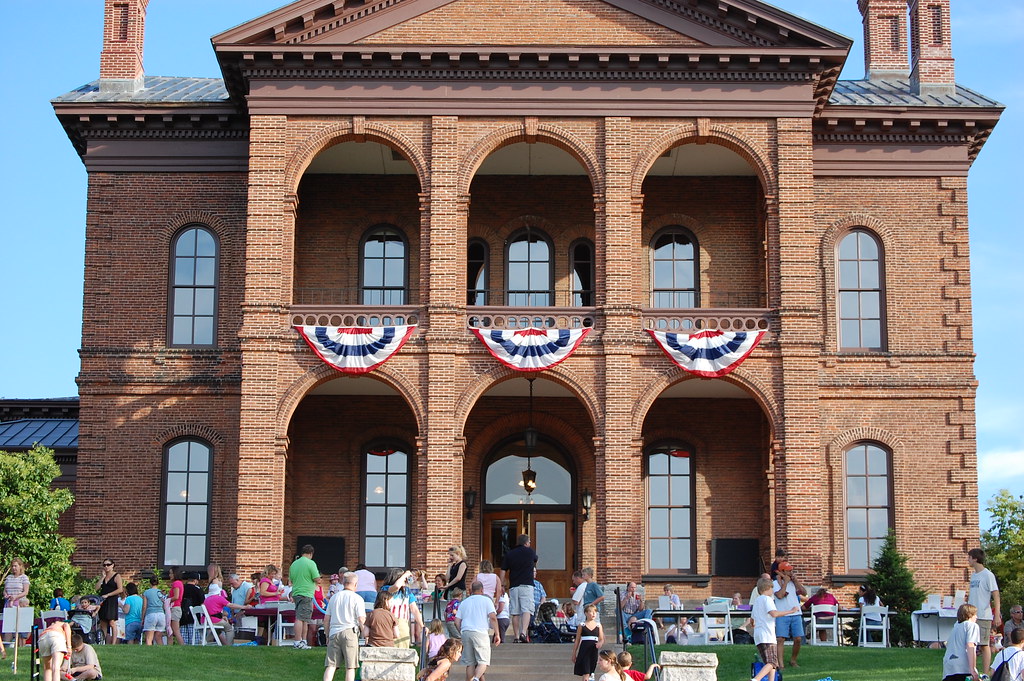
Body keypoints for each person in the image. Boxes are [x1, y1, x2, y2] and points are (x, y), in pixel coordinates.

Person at [751, 576, 799, 681]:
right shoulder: (767, 599)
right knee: (772, 662)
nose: (773, 591)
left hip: (759, 635)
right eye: (772, 588)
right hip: (767, 635)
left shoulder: (757, 601)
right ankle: (756, 679)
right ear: (767, 588)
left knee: (772, 663)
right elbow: (774, 613)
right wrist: (791, 611)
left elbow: (752, 620)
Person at [324, 571, 366, 681]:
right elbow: (361, 619)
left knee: (331, 665)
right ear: (355, 584)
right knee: (350, 667)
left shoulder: (334, 598)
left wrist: (327, 635)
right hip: (350, 632)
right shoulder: (357, 598)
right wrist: (365, 634)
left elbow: (326, 619)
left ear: (343, 582)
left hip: (334, 632)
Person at [455, 581, 500, 681]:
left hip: (466, 631)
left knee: (470, 663)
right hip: (480, 632)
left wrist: (461, 631)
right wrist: (497, 634)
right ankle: (476, 679)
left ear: (471, 590)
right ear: (482, 590)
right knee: (483, 661)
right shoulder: (486, 600)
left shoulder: (464, 602)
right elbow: (493, 617)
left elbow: (456, 621)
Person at [499, 533, 538, 643]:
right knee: (527, 610)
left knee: (515, 612)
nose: (530, 544)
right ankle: (523, 633)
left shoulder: (510, 554)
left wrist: (502, 585)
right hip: (527, 585)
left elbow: (503, 570)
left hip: (514, 586)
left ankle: (516, 637)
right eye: (529, 542)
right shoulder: (530, 552)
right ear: (526, 542)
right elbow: (536, 560)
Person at [969, 548, 1002, 674]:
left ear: (975, 558)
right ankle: (972, 670)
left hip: (983, 614)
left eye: (969, 557)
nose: (968, 560)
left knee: (984, 644)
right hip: (971, 615)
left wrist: (997, 614)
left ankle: (985, 672)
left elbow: (996, 594)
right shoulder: (973, 575)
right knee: (971, 644)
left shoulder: (988, 575)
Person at [289, 544, 321, 650]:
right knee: (300, 618)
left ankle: (303, 641)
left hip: (296, 592)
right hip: (306, 593)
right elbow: (317, 578)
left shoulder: (294, 564)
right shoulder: (311, 563)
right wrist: (319, 580)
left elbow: (291, 580)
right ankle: (298, 641)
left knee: (305, 618)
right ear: (311, 553)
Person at [382, 568, 424, 648]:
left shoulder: (407, 591)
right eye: (404, 578)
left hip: (403, 622)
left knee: (403, 647)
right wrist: (405, 575)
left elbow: (414, 609)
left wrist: (422, 625)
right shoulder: (385, 589)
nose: (406, 580)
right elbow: (396, 586)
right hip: (389, 621)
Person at [943, 603, 981, 681]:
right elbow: (970, 645)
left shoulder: (955, 627)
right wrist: (972, 669)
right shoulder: (972, 626)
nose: (976, 617)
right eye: (975, 614)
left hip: (948, 665)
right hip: (962, 666)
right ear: (969, 615)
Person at [3, 557, 30, 650]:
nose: (14, 568)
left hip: (20, 603)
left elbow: (25, 591)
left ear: (20, 566)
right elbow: (5, 590)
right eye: (12, 566)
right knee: (8, 625)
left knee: (20, 626)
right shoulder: (9, 578)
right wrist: (6, 595)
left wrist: (16, 597)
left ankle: (20, 647)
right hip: (9, 603)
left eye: (15, 566)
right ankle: (7, 646)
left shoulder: (24, 578)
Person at [572, 604, 604, 681]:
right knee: (586, 672)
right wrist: (574, 654)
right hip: (584, 651)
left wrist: (600, 643)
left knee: (590, 672)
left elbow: (602, 639)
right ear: (586, 613)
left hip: (593, 651)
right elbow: (577, 640)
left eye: (595, 612)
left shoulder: (598, 625)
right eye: (591, 612)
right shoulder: (582, 625)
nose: (593, 614)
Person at [96, 558, 124, 645]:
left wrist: (108, 594)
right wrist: (102, 577)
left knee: (112, 622)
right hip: (103, 601)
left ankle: (114, 642)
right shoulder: (104, 577)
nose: (106, 567)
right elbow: (96, 588)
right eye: (104, 565)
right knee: (103, 622)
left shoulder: (116, 576)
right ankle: (103, 642)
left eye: (108, 565)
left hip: (112, 601)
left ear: (112, 565)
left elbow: (120, 589)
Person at [181, 572, 206, 645]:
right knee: (194, 636)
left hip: (182, 614)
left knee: (183, 634)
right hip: (194, 616)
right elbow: (202, 603)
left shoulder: (182, 588)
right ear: (195, 580)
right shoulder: (197, 589)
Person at [141, 576, 166, 645]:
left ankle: (149, 653)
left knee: (149, 638)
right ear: (158, 583)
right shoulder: (160, 592)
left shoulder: (146, 592)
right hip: (161, 614)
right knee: (159, 637)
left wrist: (142, 617)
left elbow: (144, 606)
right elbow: (164, 604)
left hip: (151, 614)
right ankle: (162, 653)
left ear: (150, 583)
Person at [168, 566, 185, 645]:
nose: (169, 575)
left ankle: (182, 645)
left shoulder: (176, 583)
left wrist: (167, 600)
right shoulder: (179, 583)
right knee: (170, 629)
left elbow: (176, 596)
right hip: (174, 608)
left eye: (171, 573)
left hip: (175, 608)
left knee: (175, 629)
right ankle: (169, 646)